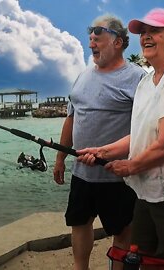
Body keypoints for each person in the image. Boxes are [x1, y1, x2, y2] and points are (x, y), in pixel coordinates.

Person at [77, 8, 164, 269]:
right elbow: (140, 134)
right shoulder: (147, 81)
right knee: (143, 260)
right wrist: (104, 151)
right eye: (143, 32)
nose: (146, 37)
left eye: (155, 31)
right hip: (148, 192)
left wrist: (130, 166)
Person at [53, 14, 145, 270]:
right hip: (81, 173)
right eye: (90, 39)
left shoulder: (137, 78)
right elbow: (71, 118)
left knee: (123, 230)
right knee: (79, 223)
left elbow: (147, 128)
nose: (91, 43)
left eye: (98, 37)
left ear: (118, 42)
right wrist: (60, 159)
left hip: (117, 176)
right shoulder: (82, 76)